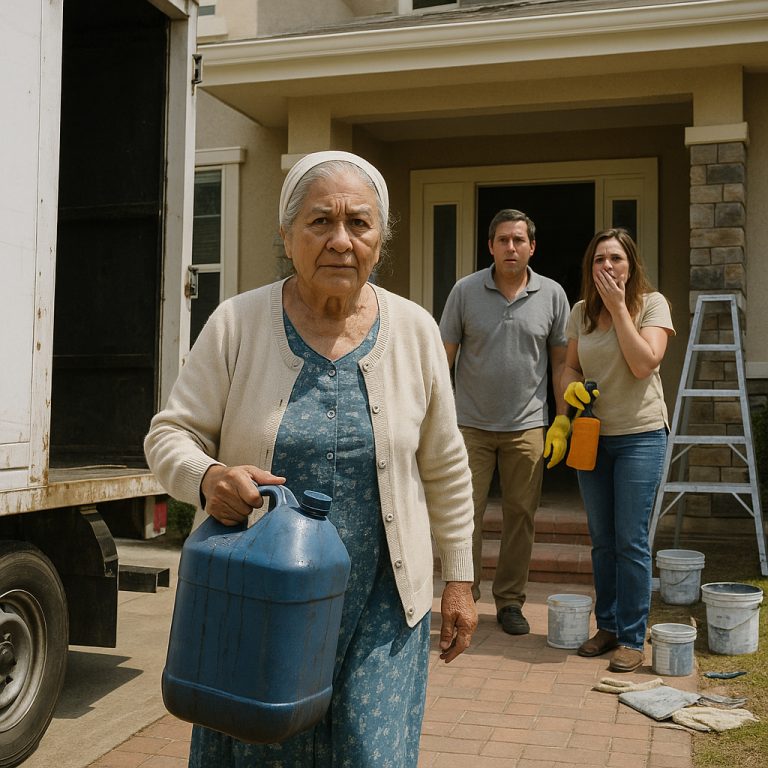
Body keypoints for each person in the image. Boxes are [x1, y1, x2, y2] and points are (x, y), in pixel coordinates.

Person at [144, 150, 478, 766]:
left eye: (359, 223)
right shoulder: (237, 324)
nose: (341, 241)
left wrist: (458, 579)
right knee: (258, 747)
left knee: (370, 754)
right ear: (287, 236)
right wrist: (208, 476)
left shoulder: (416, 331)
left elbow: (446, 467)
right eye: (321, 222)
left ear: (381, 239)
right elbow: (169, 436)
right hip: (260, 597)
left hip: (382, 596)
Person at [439, 208, 570, 635]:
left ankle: (511, 602)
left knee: (521, 516)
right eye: (502, 240)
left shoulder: (552, 295)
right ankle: (464, 596)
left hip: (528, 426)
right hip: (469, 426)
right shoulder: (464, 291)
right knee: (465, 514)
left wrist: (561, 421)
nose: (510, 247)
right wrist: (437, 419)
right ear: (490, 246)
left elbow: (561, 365)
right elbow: (445, 358)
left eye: (518, 240)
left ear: (532, 247)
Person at [554, 227, 674, 673]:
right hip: (592, 438)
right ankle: (605, 627)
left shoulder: (652, 304)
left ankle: (631, 636)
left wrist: (620, 306)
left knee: (631, 542)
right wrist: (571, 397)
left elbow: (645, 363)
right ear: (591, 268)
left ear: (631, 265)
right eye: (600, 259)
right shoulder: (581, 312)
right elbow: (568, 368)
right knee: (602, 542)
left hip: (640, 435)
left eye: (616, 259)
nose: (607, 266)